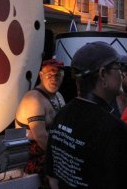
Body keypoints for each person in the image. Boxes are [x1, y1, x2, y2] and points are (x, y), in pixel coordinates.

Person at [46, 41, 127, 189]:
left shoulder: (61, 115)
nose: (122, 73)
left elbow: (53, 178)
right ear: (103, 74)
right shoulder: (113, 130)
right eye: (118, 67)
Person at [15, 59, 65, 187]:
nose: (53, 79)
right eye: (49, 75)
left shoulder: (59, 96)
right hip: (31, 153)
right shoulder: (33, 99)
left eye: (57, 75)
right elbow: (41, 137)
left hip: (51, 147)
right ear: (41, 76)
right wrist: (63, 155)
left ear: (63, 76)